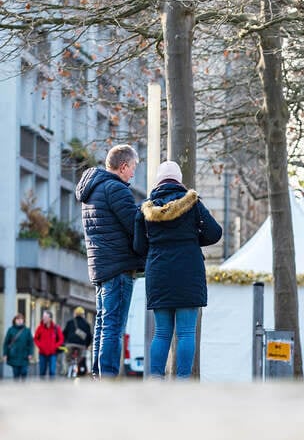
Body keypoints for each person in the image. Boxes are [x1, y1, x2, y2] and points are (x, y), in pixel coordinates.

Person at [133, 161, 222, 379]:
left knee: (162, 333)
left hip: (159, 272)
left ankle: (155, 379)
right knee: (186, 332)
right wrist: (192, 240)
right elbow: (214, 233)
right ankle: (182, 382)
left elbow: (138, 246)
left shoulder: (146, 209)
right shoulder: (192, 204)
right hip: (188, 272)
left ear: (158, 180)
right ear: (179, 180)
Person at [75, 144, 145, 378]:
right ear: (124, 166)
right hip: (119, 266)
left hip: (100, 266)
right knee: (114, 325)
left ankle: (98, 374)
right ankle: (108, 377)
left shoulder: (92, 189)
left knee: (103, 323)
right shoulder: (116, 189)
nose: (133, 173)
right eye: (133, 167)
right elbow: (134, 225)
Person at [33, 309, 64, 379]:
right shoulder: (40, 328)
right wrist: (40, 345)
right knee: (42, 372)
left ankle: (51, 388)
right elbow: (35, 338)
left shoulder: (56, 328)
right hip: (42, 353)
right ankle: (42, 387)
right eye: (43, 317)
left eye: (45, 317)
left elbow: (61, 339)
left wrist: (55, 346)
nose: (43, 318)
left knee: (52, 372)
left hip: (52, 353)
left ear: (50, 318)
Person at [63, 307, 93, 376]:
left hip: (70, 345)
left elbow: (64, 333)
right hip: (81, 346)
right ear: (83, 315)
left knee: (67, 359)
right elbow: (89, 337)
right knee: (81, 359)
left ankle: (66, 370)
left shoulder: (70, 322)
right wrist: (87, 345)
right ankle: (81, 369)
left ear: (75, 314)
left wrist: (65, 343)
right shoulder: (86, 324)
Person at [3, 313, 34, 381]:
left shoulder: (27, 330)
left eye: (21, 319)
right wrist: (5, 354)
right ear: (15, 320)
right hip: (14, 356)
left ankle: (23, 388)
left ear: (23, 320)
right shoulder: (10, 330)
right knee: (16, 374)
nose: (19, 321)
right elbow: (6, 343)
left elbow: (31, 343)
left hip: (24, 356)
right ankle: (16, 389)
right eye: (18, 319)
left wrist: (30, 353)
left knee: (24, 372)